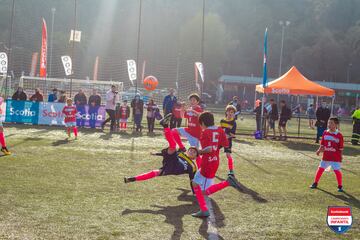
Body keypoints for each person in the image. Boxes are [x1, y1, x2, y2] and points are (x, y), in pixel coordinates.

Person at [124, 114, 198, 186]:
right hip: (172, 160)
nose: (191, 151)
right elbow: (167, 154)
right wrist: (156, 154)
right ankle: (165, 125)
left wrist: (195, 193)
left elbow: (192, 180)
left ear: (195, 157)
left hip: (171, 169)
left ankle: (131, 179)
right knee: (173, 146)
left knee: (155, 173)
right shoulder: (182, 154)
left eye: (194, 152)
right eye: (191, 150)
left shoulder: (193, 166)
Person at [191, 112, 240, 218]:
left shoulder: (205, 132)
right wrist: (215, 148)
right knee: (195, 183)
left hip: (207, 162)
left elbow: (208, 149)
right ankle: (203, 209)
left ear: (203, 123)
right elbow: (225, 143)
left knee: (204, 192)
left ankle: (227, 183)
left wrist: (198, 152)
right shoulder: (219, 130)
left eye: (200, 124)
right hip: (215, 161)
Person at [310, 117, 344, 192]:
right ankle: (315, 183)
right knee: (320, 169)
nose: (329, 124)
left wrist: (340, 156)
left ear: (336, 125)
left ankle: (340, 186)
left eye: (331, 123)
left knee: (337, 171)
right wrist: (319, 150)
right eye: (329, 122)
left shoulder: (339, 135)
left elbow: (341, 148)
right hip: (326, 156)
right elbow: (322, 144)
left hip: (335, 157)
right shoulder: (325, 132)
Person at [220, 105, 237, 176]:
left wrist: (228, 135)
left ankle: (231, 171)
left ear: (234, 113)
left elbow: (233, 135)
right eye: (228, 111)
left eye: (232, 112)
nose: (230, 113)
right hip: (220, 140)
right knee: (213, 151)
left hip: (227, 141)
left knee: (228, 155)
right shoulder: (222, 121)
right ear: (226, 112)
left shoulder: (234, 123)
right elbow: (220, 131)